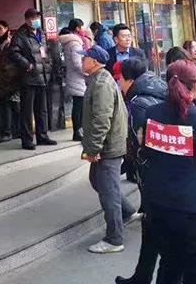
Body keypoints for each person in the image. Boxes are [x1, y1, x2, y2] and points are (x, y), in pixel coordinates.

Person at [136, 60, 196, 284]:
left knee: (170, 264)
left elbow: (148, 154)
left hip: (159, 203)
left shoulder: (151, 114)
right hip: (194, 206)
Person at [80, 46, 140, 254]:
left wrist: (93, 148)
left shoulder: (101, 84)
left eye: (85, 58)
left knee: (108, 192)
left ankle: (114, 239)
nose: (82, 61)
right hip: (106, 145)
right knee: (97, 181)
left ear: (94, 62)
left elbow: (102, 120)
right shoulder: (98, 79)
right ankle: (127, 212)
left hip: (108, 147)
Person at [115, 56, 167, 284]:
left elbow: (140, 142)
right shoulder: (158, 89)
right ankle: (142, 275)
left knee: (159, 228)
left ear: (129, 79)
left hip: (153, 174)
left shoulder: (137, 103)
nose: (119, 83)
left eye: (120, 79)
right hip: (164, 171)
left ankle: (146, 276)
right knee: (151, 226)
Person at [9, 8, 57, 150]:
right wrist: (27, 64)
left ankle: (42, 136)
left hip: (43, 75)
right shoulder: (20, 35)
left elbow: (46, 52)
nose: (35, 21)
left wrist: (49, 65)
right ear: (26, 20)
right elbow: (13, 53)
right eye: (32, 18)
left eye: (37, 18)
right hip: (29, 77)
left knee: (42, 109)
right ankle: (27, 139)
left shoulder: (41, 33)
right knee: (27, 111)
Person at [0, 20, 20, 143]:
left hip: (11, 79)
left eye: (0, 28)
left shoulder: (11, 42)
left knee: (12, 106)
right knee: (7, 106)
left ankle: (11, 132)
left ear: (6, 28)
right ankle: (12, 131)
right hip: (2, 79)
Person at [59, 25, 87, 142]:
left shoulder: (66, 44)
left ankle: (78, 131)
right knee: (79, 107)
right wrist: (87, 71)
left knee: (77, 105)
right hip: (79, 78)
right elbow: (77, 63)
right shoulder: (75, 44)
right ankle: (78, 132)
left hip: (72, 77)